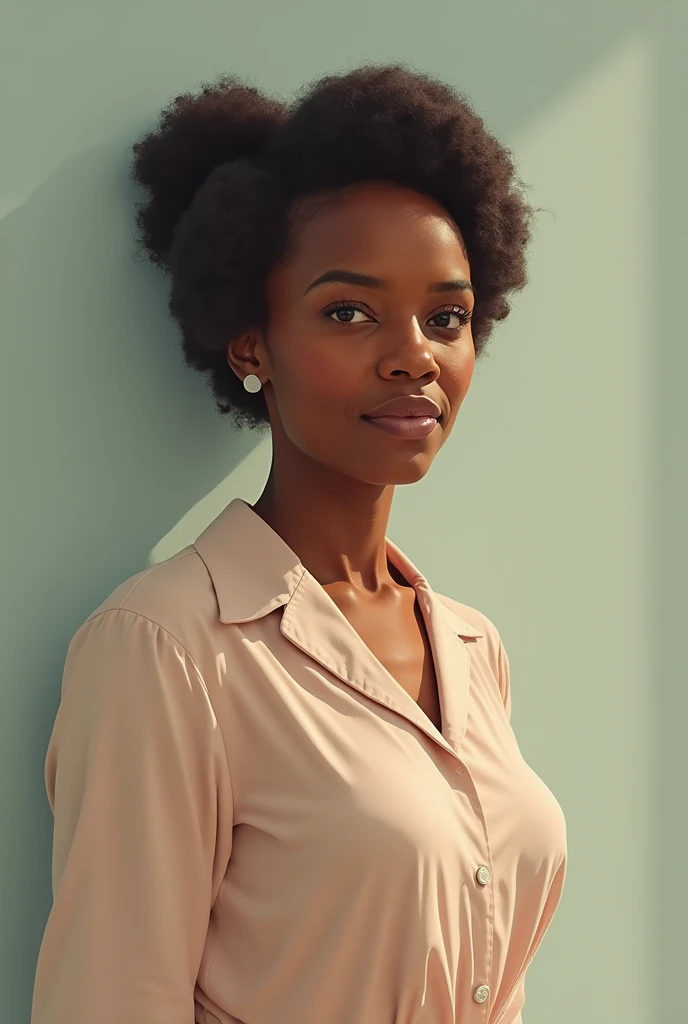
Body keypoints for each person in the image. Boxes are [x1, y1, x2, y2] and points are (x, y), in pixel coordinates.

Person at [30, 62, 567, 1024]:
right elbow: (109, 1000)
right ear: (251, 346)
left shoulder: (475, 651)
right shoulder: (167, 648)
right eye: (349, 312)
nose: (415, 353)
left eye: (446, 317)